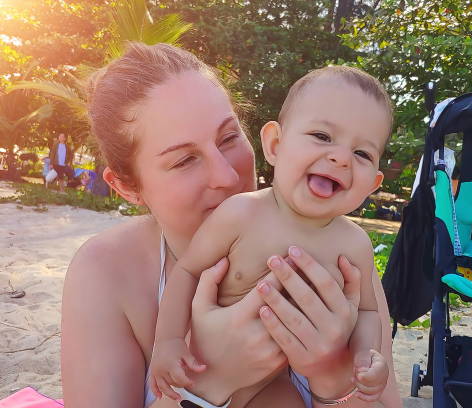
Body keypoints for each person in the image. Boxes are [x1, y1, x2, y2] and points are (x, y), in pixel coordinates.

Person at [61, 42, 401, 408]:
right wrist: (211, 382)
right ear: (127, 186)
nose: (226, 176)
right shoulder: (108, 271)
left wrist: (333, 376)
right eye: (183, 160)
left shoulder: (341, 253)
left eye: (228, 138)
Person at [151, 66, 391, 406]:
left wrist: (367, 356)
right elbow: (187, 271)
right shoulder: (239, 214)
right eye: (322, 136)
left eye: (362, 153)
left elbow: (368, 312)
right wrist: (169, 341)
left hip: (275, 382)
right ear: (275, 144)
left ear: (373, 184)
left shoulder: (354, 245)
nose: (340, 157)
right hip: (209, 365)